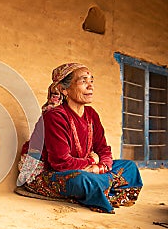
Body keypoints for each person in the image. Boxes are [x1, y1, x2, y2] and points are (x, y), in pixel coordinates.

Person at [17, 63, 143, 213]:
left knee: (130, 167)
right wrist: (92, 161)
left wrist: (99, 167)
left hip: (85, 169)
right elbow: (60, 162)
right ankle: (101, 189)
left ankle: (98, 189)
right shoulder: (54, 117)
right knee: (83, 180)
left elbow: (103, 149)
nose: (90, 86)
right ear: (64, 90)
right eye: (83, 81)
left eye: (91, 81)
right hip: (47, 173)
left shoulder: (91, 114)